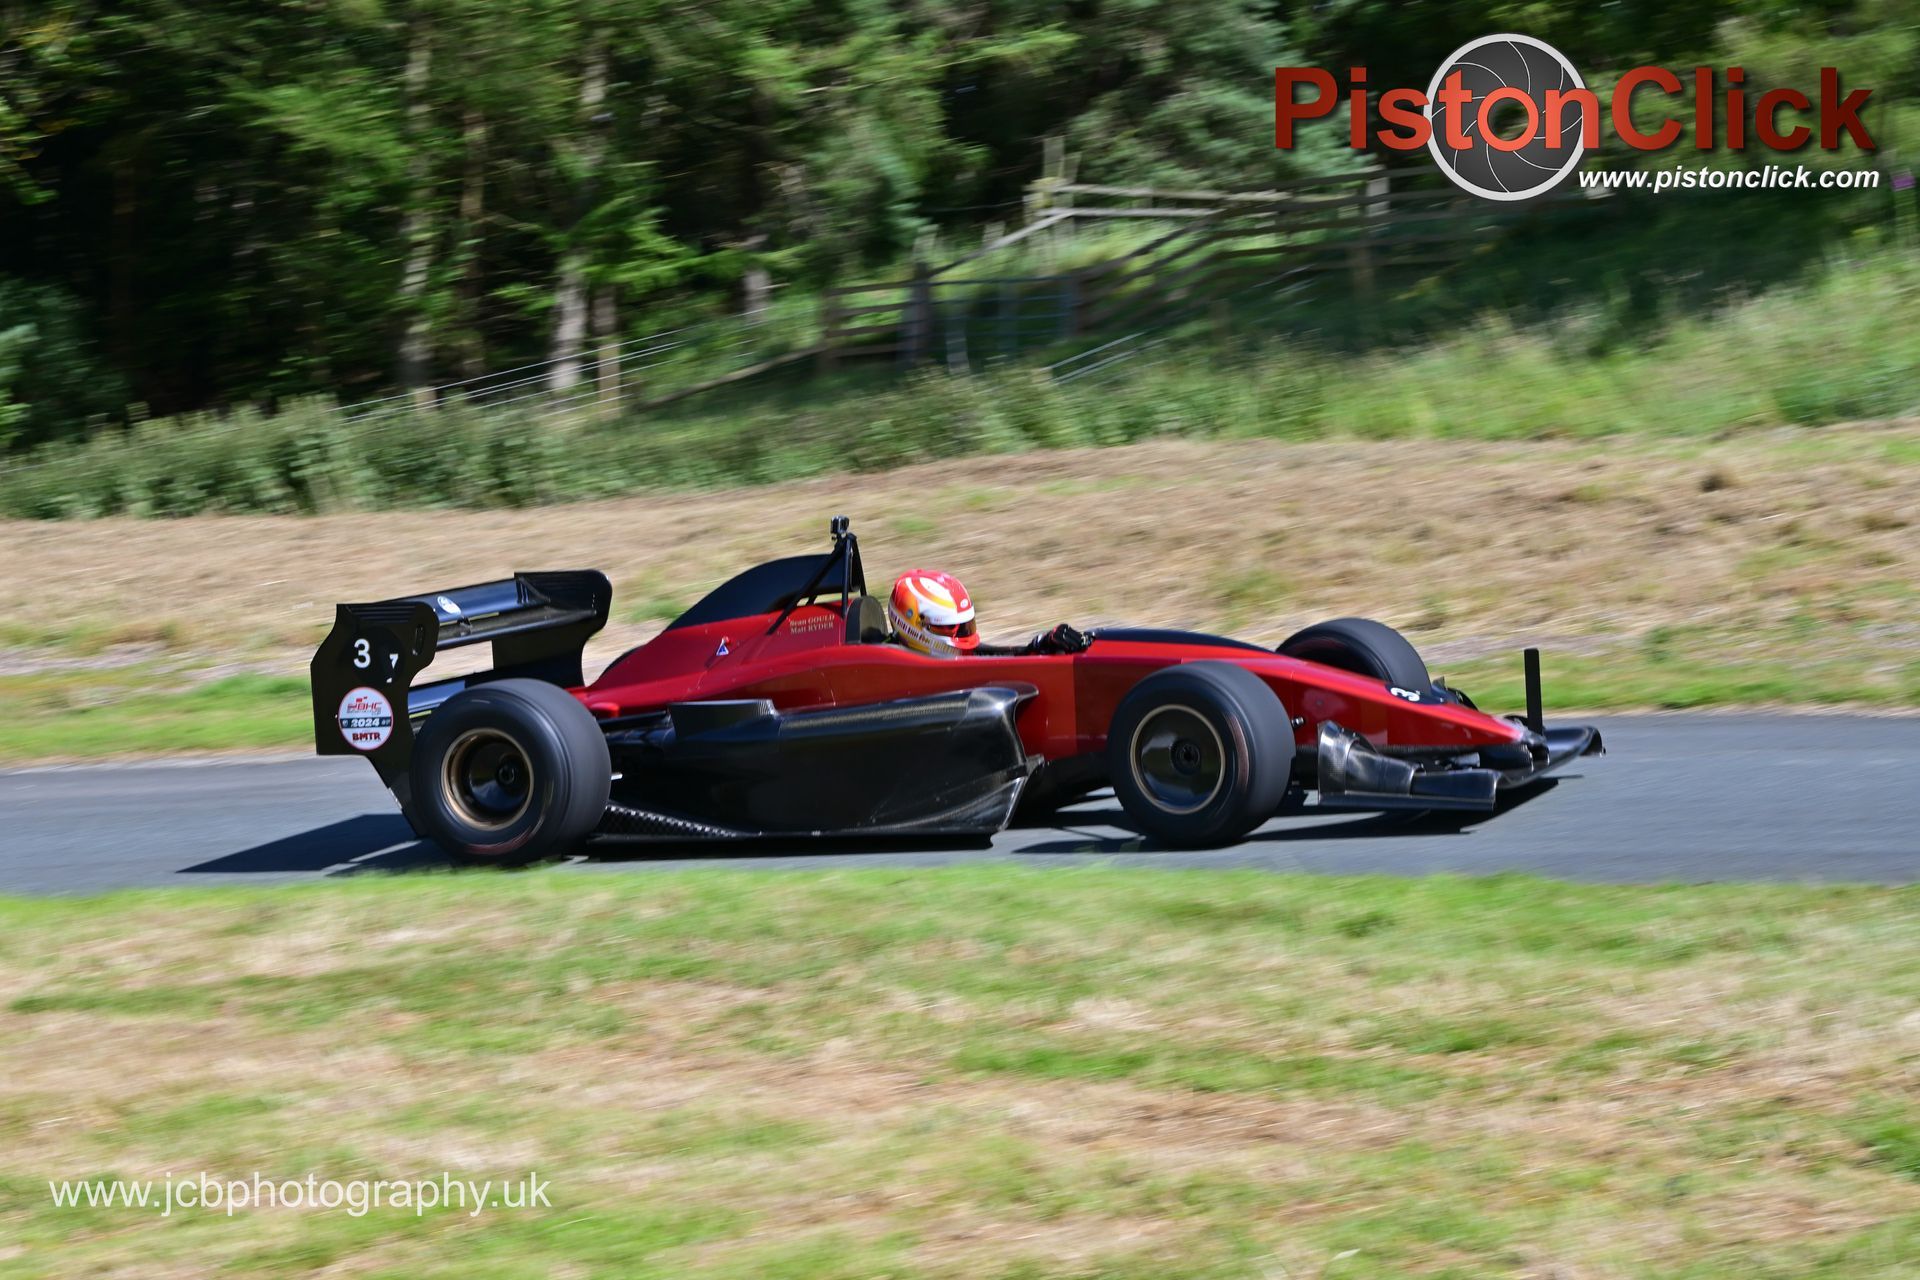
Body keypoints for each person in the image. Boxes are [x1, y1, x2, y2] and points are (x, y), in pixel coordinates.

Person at [886, 570, 1091, 658]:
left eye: (966, 626)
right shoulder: (886, 666)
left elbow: (985, 657)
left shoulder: (951, 656)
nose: (962, 635)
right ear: (913, 625)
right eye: (951, 628)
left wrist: (1039, 645)